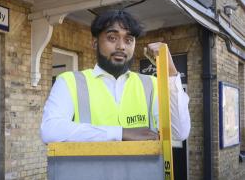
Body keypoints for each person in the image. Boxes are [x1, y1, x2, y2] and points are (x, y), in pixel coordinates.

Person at [41, 10, 190, 143]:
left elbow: (178, 133)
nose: (121, 46)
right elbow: (50, 130)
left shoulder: (151, 84)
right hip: (91, 174)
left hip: (142, 174)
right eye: (112, 38)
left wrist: (170, 73)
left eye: (129, 40)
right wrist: (121, 133)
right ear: (94, 43)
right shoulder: (69, 82)